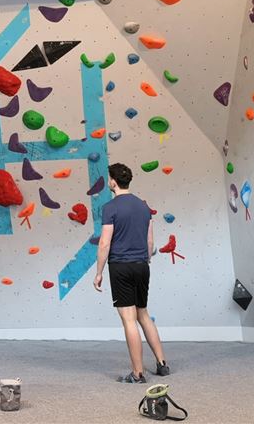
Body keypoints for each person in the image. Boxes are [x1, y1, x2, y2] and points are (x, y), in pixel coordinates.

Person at [93, 162, 169, 383]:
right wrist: (145, 260)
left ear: (113, 181)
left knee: (129, 319)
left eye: (109, 178)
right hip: (142, 265)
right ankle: (162, 363)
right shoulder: (144, 207)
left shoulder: (110, 208)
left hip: (121, 266)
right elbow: (150, 241)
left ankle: (137, 373)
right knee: (143, 313)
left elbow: (104, 243)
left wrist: (98, 272)